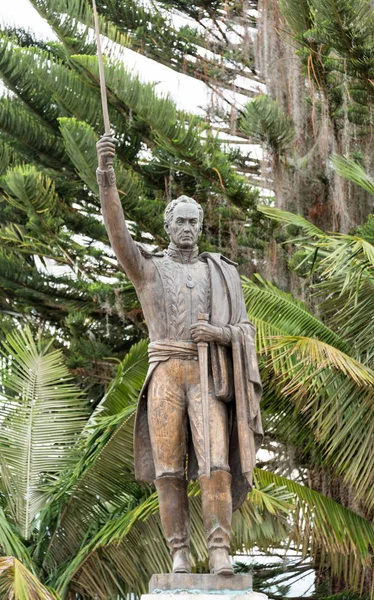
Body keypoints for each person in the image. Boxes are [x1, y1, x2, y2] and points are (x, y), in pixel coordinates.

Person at [96, 134, 263, 576]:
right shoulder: (149, 270)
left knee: (215, 463)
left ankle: (221, 551)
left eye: (194, 221)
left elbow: (246, 329)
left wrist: (219, 331)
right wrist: (106, 174)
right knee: (168, 470)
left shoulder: (221, 273)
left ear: (200, 226)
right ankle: (179, 553)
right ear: (168, 227)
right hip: (166, 374)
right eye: (180, 222)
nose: (187, 228)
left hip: (208, 374)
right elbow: (117, 232)